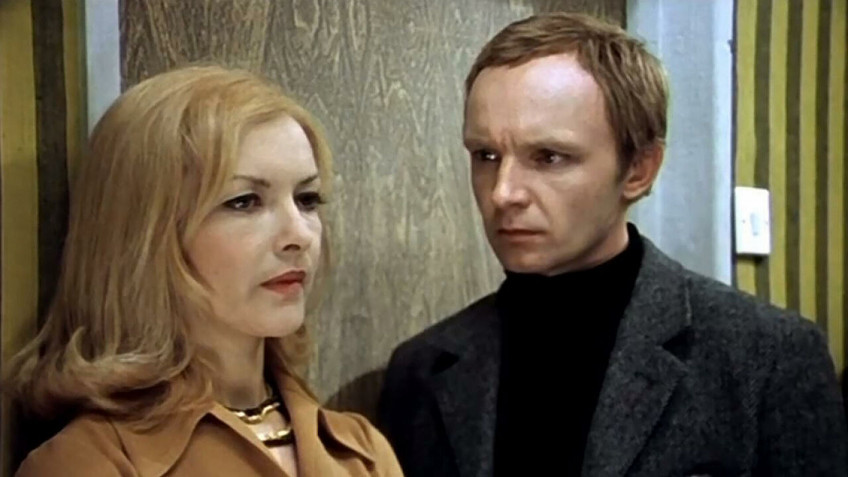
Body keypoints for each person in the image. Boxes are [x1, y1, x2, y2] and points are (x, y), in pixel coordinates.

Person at [378, 12, 847, 477]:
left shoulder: (766, 358)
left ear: (639, 170)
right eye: (486, 155)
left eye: (549, 157)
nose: (503, 193)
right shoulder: (422, 370)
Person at [6, 65, 403, 477]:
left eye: (307, 199)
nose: (299, 235)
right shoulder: (88, 462)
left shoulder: (363, 452)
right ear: (144, 233)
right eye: (244, 202)